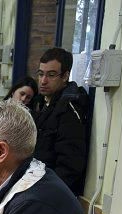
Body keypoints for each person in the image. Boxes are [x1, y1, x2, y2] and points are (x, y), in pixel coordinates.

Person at [30, 47, 89, 196]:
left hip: (50, 193)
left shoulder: (69, 109)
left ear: (65, 76)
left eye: (51, 75)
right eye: (41, 74)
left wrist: (48, 194)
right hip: (36, 185)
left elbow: (70, 164)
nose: (43, 81)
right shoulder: (40, 103)